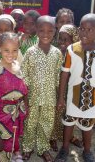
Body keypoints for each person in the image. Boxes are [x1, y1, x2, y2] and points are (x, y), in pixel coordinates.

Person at [22, 16, 63, 161]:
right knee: (30, 123)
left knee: (46, 124)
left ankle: (43, 148)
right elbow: (24, 76)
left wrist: (60, 98)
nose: (46, 34)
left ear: (54, 32)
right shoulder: (30, 52)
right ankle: (27, 147)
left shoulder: (57, 53)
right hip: (32, 97)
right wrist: (25, 98)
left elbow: (59, 77)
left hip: (50, 97)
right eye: (42, 30)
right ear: (36, 31)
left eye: (50, 31)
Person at [55, 13, 95, 162]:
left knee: (87, 126)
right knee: (68, 123)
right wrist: (61, 98)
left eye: (89, 30)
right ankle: (64, 148)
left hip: (92, 97)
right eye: (82, 29)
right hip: (73, 96)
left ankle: (87, 150)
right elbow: (64, 75)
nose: (84, 32)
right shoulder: (72, 49)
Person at [0, 32, 28, 161]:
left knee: (15, 130)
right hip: (1, 108)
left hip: (16, 107)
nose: (11, 54)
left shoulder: (18, 65)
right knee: (3, 132)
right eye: (6, 50)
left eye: (14, 50)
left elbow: (22, 84)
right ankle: (4, 154)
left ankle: (16, 151)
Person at [50, 24, 81, 152]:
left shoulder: (76, 54)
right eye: (60, 39)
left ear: (74, 40)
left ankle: (68, 136)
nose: (62, 42)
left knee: (69, 114)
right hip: (56, 89)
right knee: (55, 114)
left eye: (66, 39)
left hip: (71, 90)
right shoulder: (55, 52)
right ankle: (52, 137)